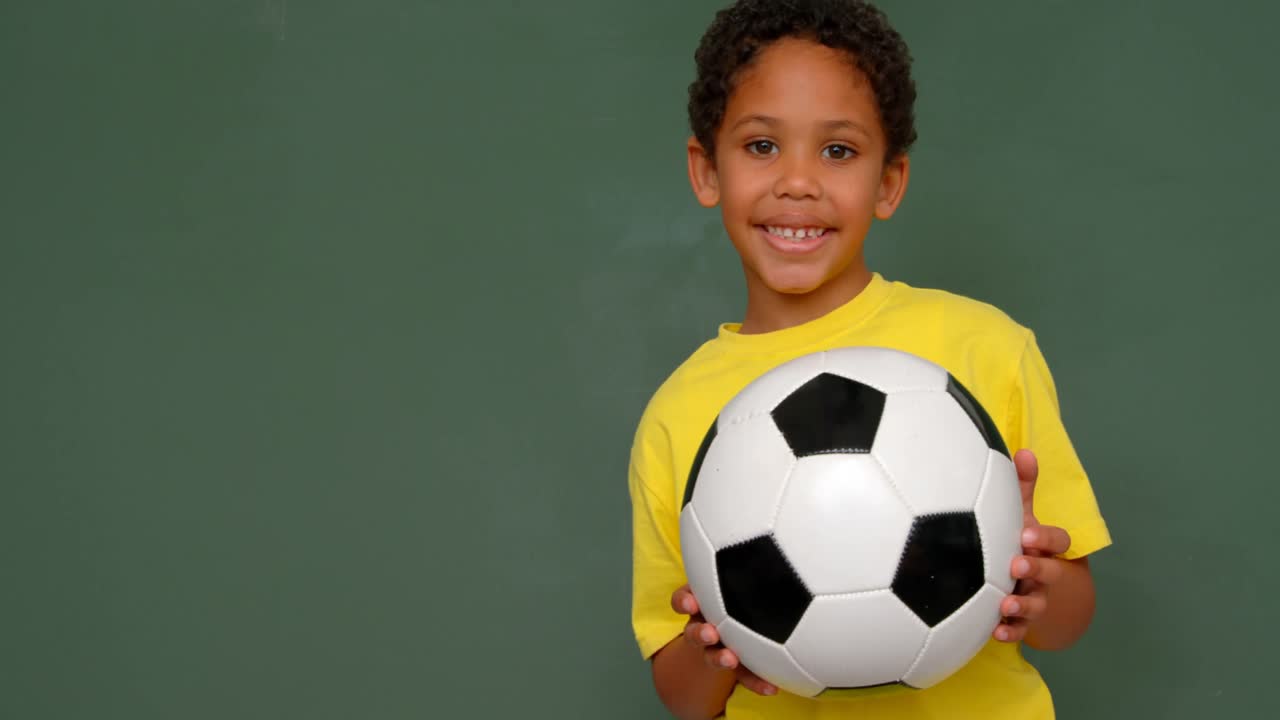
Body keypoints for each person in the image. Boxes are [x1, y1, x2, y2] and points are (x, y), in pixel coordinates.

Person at [626, 1, 1112, 718]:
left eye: (838, 151)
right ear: (707, 171)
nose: (798, 182)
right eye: (761, 146)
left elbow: (1069, 621)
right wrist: (716, 638)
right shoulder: (678, 415)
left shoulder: (986, 348)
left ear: (888, 182)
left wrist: (1038, 585)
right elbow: (684, 698)